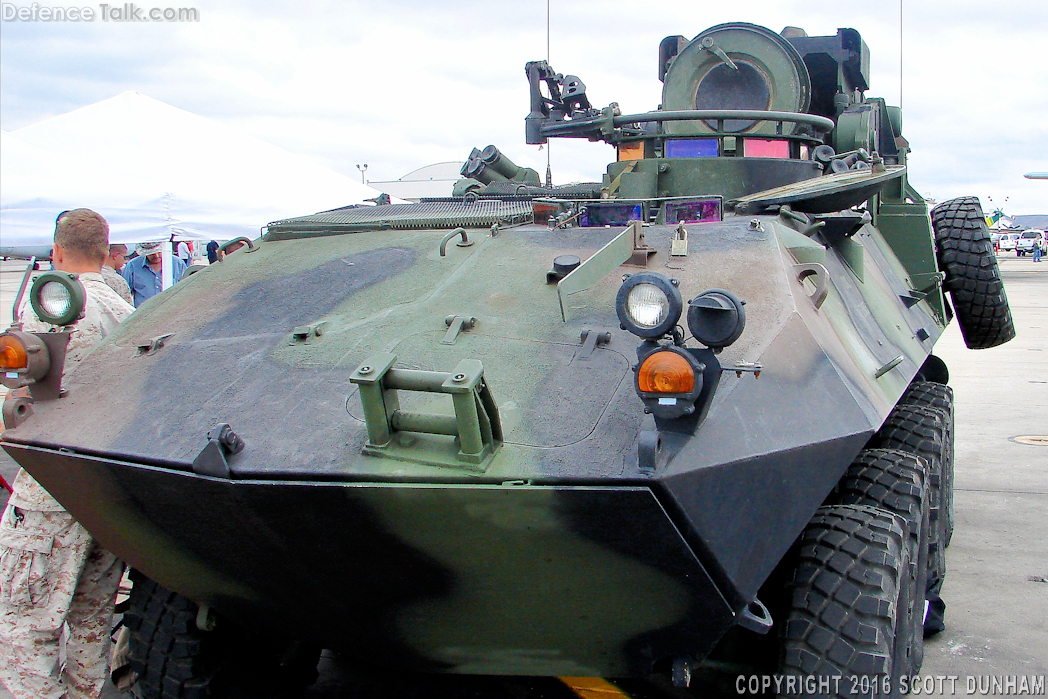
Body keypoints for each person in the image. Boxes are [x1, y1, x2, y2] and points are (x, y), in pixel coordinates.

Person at [0, 208, 134, 699]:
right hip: (108, 488)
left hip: (50, 487)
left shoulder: (50, 303)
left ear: (56, 250)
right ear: (106, 251)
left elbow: (19, 392)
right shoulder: (128, 311)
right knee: (91, 620)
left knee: (23, 625)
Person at [121, 241, 187, 307]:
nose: (156, 256)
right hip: (144, 313)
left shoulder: (178, 263)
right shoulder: (133, 265)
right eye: (152, 253)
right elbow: (124, 293)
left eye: (159, 252)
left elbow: (186, 289)